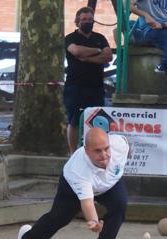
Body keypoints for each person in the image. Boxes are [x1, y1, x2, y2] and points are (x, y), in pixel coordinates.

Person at [10, 128, 129, 239]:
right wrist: (94, 222)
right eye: (98, 151)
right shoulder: (78, 170)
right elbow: (87, 203)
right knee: (58, 219)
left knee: (120, 205)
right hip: (72, 188)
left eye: (106, 149)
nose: (104, 155)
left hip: (109, 185)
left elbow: (123, 146)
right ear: (86, 150)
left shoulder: (120, 145)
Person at [64, 7, 113, 153]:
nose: (87, 22)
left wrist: (86, 58)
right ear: (78, 22)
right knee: (74, 121)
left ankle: (93, 150)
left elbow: (108, 56)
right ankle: (73, 154)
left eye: (90, 20)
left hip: (96, 87)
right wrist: (97, 51)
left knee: (97, 121)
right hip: (75, 86)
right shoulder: (70, 38)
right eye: (84, 19)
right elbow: (76, 51)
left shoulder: (100, 38)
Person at [131, 0, 167, 97]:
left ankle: (164, 63)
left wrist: (163, 25)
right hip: (150, 28)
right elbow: (127, 5)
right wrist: (145, 15)